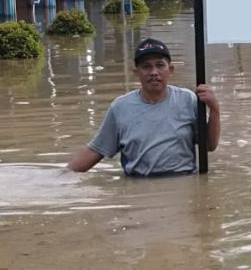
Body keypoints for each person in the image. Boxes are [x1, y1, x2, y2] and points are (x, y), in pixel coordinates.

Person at [67, 37, 220, 176]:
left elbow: (210, 145)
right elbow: (96, 150)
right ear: (136, 72)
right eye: (146, 67)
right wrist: (62, 175)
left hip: (182, 181)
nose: (154, 72)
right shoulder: (120, 108)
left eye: (160, 65)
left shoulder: (188, 99)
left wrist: (214, 109)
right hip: (139, 185)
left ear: (170, 70)